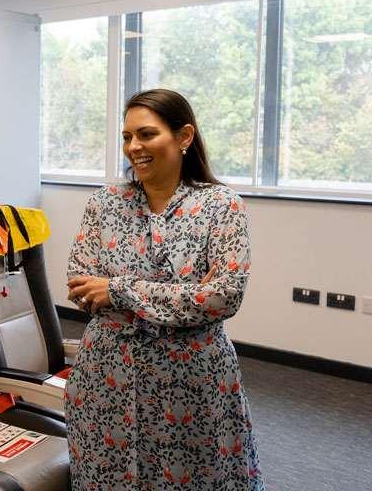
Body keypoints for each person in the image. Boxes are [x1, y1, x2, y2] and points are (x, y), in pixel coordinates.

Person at [65, 89, 263, 490]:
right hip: (107, 379)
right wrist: (179, 299)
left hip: (191, 384)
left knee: (196, 477)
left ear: (184, 137)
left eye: (147, 134)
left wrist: (119, 290)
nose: (133, 147)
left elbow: (222, 297)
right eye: (126, 137)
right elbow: (82, 285)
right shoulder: (104, 204)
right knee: (109, 476)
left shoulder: (222, 206)